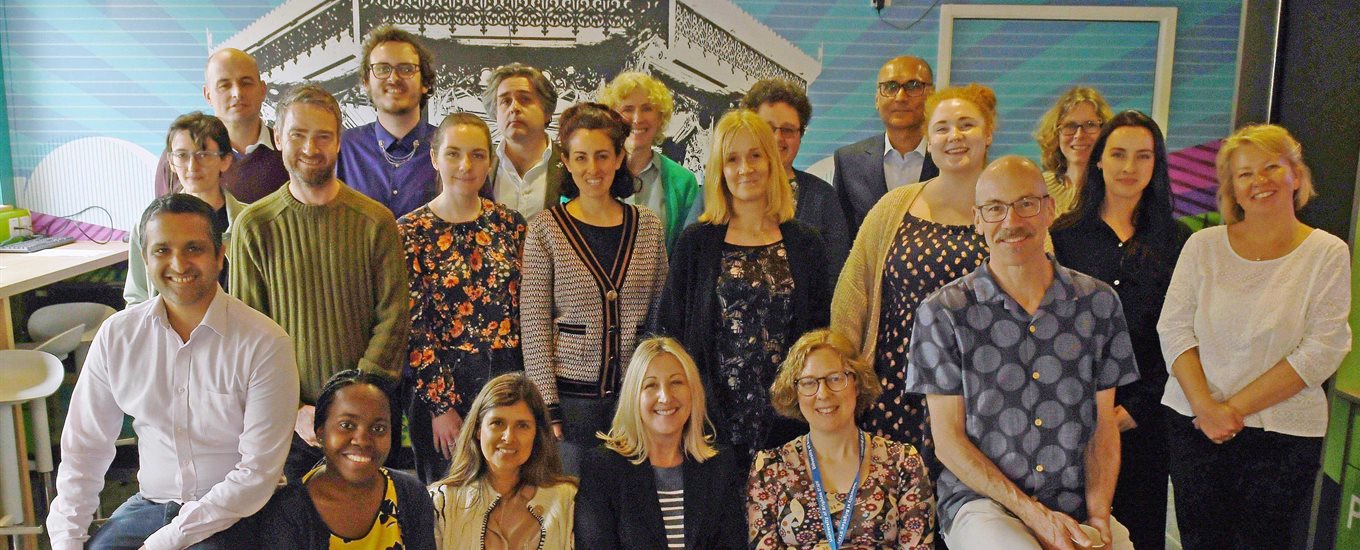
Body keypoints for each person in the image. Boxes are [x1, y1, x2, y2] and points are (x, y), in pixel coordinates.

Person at [910, 156, 1139, 550]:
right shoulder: (943, 312)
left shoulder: (1098, 303)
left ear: (1050, 209)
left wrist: (1099, 515)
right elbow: (947, 440)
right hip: (982, 504)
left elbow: (1103, 426)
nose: (1012, 222)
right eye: (995, 209)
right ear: (977, 220)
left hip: (1074, 503)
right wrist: (1034, 515)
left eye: (1026, 204)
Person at [48, 194, 298, 550]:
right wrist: (67, 540)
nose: (178, 264)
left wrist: (164, 542)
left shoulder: (264, 343)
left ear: (220, 254)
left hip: (236, 514)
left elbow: (256, 475)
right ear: (145, 258)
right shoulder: (119, 335)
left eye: (193, 248)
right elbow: (84, 449)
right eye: (162, 251)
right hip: (149, 506)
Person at [1157, 124, 1351, 550]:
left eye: (1271, 167)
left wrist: (1230, 410)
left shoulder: (1327, 252)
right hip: (1194, 425)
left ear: (1296, 176)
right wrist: (1206, 408)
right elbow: (1172, 328)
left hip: (1284, 434)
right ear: (1232, 188)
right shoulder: (1202, 247)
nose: (1259, 182)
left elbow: (1323, 348)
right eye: (1244, 174)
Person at [230, 84, 410, 481]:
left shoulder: (375, 221)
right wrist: (293, 410)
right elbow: (246, 332)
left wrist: (351, 406)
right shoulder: (254, 227)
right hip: (290, 425)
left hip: (368, 418)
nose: (311, 147)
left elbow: (394, 317)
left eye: (323, 135)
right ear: (277, 138)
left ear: (339, 141)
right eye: (298, 134)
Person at [831, 83, 995, 479]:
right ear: (928, 138)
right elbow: (851, 300)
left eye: (967, 125)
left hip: (984, 399)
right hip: (893, 394)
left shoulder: (1012, 211)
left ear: (988, 133)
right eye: (942, 128)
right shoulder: (894, 206)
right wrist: (840, 384)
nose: (954, 136)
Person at [656, 108, 830, 464]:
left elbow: (818, 332)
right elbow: (671, 330)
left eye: (755, 156)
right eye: (732, 159)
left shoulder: (805, 243)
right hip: (712, 420)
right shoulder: (696, 242)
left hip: (788, 420)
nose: (745, 169)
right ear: (719, 169)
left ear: (771, 163)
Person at [1052, 110, 1189, 550]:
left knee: (1139, 535)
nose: (1130, 168)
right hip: (1069, 424)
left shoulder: (1179, 241)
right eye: (1119, 154)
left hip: (1146, 421)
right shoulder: (1063, 236)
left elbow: (1184, 334)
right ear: (1098, 161)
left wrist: (1134, 409)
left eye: (1143, 156)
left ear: (1157, 165)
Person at [521, 102, 668, 475]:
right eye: (581, 157)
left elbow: (658, 318)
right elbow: (535, 326)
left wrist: (651, 391)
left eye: (603, 155)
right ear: (566, 162)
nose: (593, 168)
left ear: (620, 157)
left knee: (629, 510)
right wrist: (547, 408)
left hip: (633, 399)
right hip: (571, 406)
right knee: (576, 513)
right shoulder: (545, 229)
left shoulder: (648, 227)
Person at [399, 113, 528, 484]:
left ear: (490, 161)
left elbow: (527, 311)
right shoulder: (409, 231)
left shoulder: (511, 224)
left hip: (506, 379)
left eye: (477, 155)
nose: (465, 166)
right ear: (435, 158)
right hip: (442, 388)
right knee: (449, 499)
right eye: (454, 154)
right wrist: (441, 407)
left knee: (506, 491)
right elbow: (413, 327)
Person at [748, 329, 935, 549]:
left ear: (857, 383)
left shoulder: (903, 462)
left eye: (835, 379)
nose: (823, 394)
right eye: (809, 382)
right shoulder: (769, 469)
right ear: (794, 391)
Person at [575, 337, 746, 548]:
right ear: (633, 397)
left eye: (676, 382)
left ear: (693, 391)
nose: (665, 396)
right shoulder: (601, 468)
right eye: (651, 385)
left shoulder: (720, 465)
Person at [253, 370, 435, 549]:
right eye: (346, 425)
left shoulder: (411, 495)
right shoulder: (288, 511)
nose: (362, 440)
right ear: (320, 432)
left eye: (378, 428)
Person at [430, 373, 577, 549]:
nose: (508, 437)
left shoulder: (568, 500)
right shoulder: (440, 503)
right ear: (477, 429)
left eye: (522, 425)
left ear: (537, 434)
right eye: (497, 423)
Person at [126, 112, 244, 304]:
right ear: (171, 162)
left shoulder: (249, 223)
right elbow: (137, 298)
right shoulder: (148, 224)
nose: (192, 166)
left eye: (203, 154)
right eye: (182, 155)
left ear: (225, 160)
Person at [740, 77, 852, 278]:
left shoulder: (823, 197)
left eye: (788, 130)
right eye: (768, 127)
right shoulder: (722, 189)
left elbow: (837, 275)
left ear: (801, 134)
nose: (777, 138)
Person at [154, 48, 288, 203]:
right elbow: (162, 221)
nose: (237, 93)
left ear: (263, 89)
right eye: (224, 85)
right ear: (208, 95)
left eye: (246, 83)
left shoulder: (288, 151)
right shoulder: (180, 157)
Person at [337, 25, 439, 217]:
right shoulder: (342, 148)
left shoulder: (450, 148)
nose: (393, 78)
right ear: (366, 82)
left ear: (425, 82)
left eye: (406, 69)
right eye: (382, 69)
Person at [832, 55, 939, 234]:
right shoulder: (848, 161)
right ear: (876, 100)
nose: (900, 97)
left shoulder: (949, 159)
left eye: (913, 86)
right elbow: (842, 235)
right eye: (890, 87)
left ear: (932, 96)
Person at [598, 71, 700, 251]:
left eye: (647, 108)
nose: (637, 119)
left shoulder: (683, 182)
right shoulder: (591, 173)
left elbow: (686, 254)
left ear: (660, 117)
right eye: (627, 109)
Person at [482, 63, 566, 219]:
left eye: (525, 99)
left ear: (547, 111)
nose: (514, 108)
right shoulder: (480, 163)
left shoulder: (569, 164)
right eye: (505, 101)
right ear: (495, 113)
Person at [1033, 87, 1114, 215]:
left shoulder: (1116, 192)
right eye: (1070, 125)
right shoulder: (1037, 189)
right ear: (1056, 133)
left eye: (1090, 125)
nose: (1079, 135)